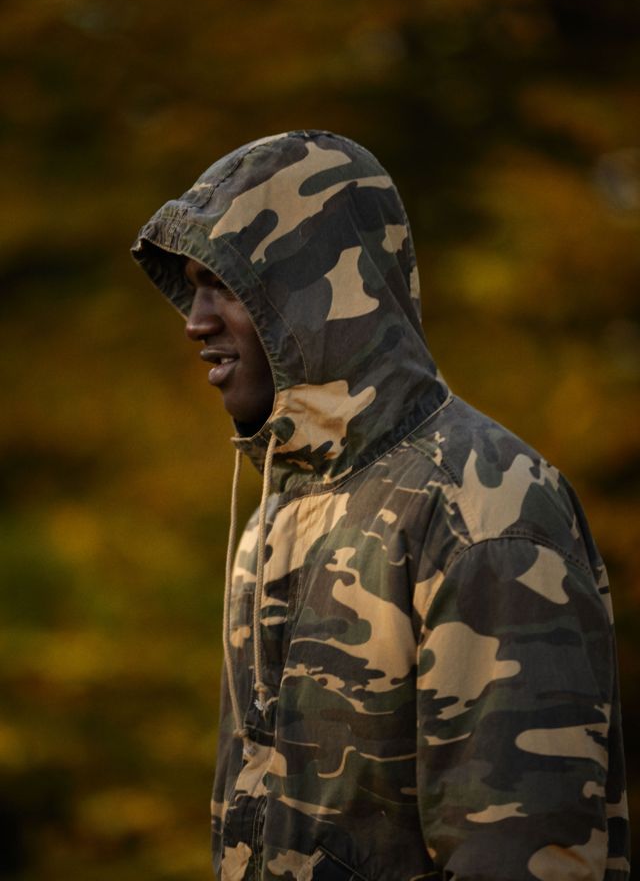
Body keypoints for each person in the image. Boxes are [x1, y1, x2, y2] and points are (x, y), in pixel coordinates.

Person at [132, 130, 629, 881]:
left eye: (225, 285)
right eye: (194, 287)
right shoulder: (274, 515)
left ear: (313, 296)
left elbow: (524, 855)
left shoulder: (484, 506)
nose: (195, 321)